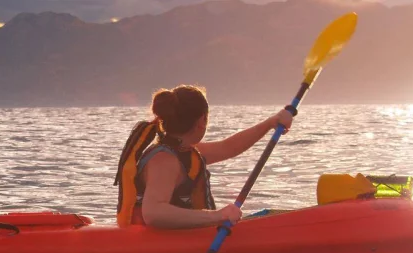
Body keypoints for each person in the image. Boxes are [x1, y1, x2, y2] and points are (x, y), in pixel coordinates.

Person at [115, 85, 293, 229]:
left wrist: (271, 122)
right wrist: (217, 216)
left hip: (188, 238)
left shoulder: (184, 151)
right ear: (202, 122)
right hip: (155, 248)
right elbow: (153, 213)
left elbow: (228, 147)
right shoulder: (164, 161)